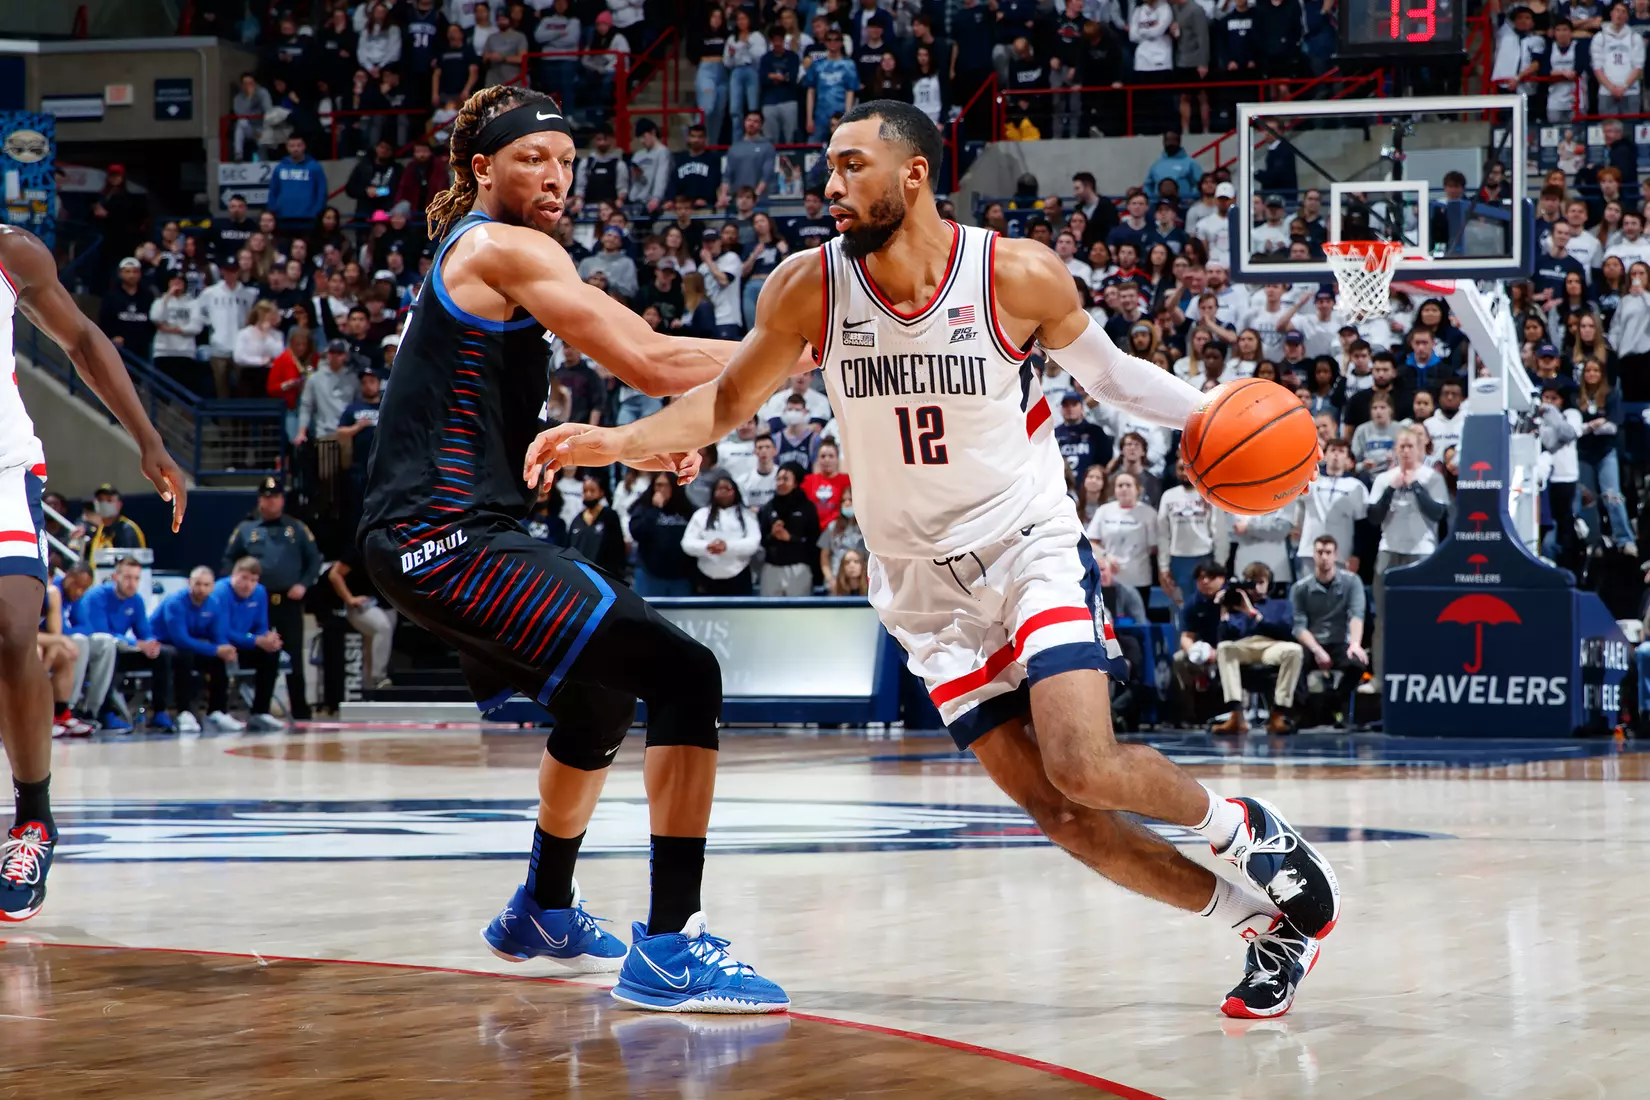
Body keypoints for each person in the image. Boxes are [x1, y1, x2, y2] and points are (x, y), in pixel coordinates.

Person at [538, 99, 1341, 1018]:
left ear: (913, 173)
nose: (830, 185)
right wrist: (614, 439)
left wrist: (1206, 415)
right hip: (918, 589)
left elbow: (1113, 376)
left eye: (850, 166)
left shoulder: (1016, 274)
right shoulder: (808, 287)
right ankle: (1258, 925)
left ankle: (1248, 832)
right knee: (1061, 814)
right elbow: (721, 407)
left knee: (1083, 761)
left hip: (1024, 544)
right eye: (829, 169)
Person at [355, 85, 787, 1011]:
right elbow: (654, 361)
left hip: (440, 533)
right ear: (482, 169)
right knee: (684, 676)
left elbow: (464, 400)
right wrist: (815, 343)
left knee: (595, 705)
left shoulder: (476, 254)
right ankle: (672, 946)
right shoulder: (505, 244)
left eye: (566, 161)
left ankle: (543, 909)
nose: (555, 177)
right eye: (532, 160)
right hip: (448, 537)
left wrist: (599, 434)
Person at [0, 224, 187, 914]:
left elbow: (80, 340)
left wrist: (148, 436)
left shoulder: (11, 253)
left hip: (4, 465)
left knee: (14, 627)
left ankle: (34, 818)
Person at [222, 477, 321, 720]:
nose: (272, 501)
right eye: (267, 497)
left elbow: (314, 561)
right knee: (263, 652)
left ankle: (300, 710)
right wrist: (236, 592)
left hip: (288, 602)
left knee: (294, 657)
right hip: (256, 604)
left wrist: (303, 584)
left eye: (276, 496)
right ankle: (260, 711)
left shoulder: (296, 528)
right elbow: (228, 561)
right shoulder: (246, 530)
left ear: (282, 500)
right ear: (260, 500)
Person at [1367, 427, 1448, 692]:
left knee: (1423, 617)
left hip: (1422, 551)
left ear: (1421, 448)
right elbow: (1373, 517)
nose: (1405, 451)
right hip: (1389, 550)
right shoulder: (1384, 479)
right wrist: (1392, 490)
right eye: (1400, 446)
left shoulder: (1432, 478)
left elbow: (1437, 513)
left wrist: (1414, 487)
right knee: (1384, 619)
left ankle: (1423, 677)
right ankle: (1380, 678)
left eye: (1410, 446)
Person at [79, 556, 181, 732]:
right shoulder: (96, 597)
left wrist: (150, 644)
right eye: (127, 578)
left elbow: (145, 632)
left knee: (164, 653)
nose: (132, 583)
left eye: (136, 578)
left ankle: (160, 712)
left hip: (123, 648)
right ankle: (106, 713)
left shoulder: (136, 600)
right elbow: (102, 634)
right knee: (110, 651)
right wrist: (137, 643)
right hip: (98, 651)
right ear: (115, 577)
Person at [1208, 563, 1303, 735]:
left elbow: (1285, 630)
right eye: (1251, 583)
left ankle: (1277, 714)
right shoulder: (1235, 606)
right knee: (1224, 648)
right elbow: (1223, 637)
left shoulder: (1281, 605)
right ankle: (1236, 715)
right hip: (1243, 646)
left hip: (1271, 646)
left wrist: (1253, 613)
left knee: (1294, 650)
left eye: (1261, 582)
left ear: (1269, 583)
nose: (1256, 587)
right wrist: (1224, 611)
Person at [1291, 534, 1369, 717]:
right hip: (1313, 642)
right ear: (1313, 555)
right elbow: (1298, 625)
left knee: (1358, 663)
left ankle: (1333, 703)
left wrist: (1355, 644)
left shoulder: (1351, 582)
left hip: (1340, 641)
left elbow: (1357, 614)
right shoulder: (1300, 588)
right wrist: (1317, 650)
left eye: (1328, 552)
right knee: (1294, 660)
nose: (1324, 557)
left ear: (1335, 555)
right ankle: (1304, 711)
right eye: (1320, 552)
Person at [680, 475, 761, 594]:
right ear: (713, 492)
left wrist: (727, 547)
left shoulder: (747, 515)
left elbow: (754, 542)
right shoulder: (701, 515)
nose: (723, 492)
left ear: (735, 491)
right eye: (719, 489)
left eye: (727, 489)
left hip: (738, 576)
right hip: (705, 576)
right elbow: (687, 543)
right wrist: (707, 547)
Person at [757, 460, 819, 596]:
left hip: (798, 567)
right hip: (772, 567)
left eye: (785, 479)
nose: (780, 483)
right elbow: (761, 540)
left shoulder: (807, 507)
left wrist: (790, 538)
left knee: (798, 613)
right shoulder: (769, 507)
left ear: (796, 483)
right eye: (778, 479)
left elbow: (813, 540)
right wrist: (772, 535)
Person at [568, 475, 627, 577]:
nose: (588, 494)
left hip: (605, 575)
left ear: (601, 492)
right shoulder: (577, 519)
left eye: (592, 490)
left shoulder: (610, 516)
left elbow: (618, 548)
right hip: (579, 575)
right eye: (585, 491)